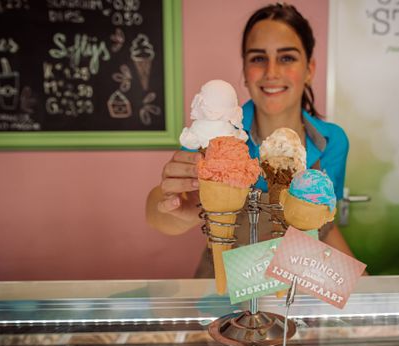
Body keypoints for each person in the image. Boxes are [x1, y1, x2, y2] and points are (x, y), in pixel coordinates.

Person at [146, 3, 355, 276]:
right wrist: (176, 209)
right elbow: (156, 213)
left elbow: (324, 225)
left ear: (309, 69)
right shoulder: (217, 136)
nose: (271, 72)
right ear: (244, 71)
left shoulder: (332, 141)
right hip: (223, 284)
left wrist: (361, 283)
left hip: (293, 281)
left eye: (287, 58)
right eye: (258, 58)